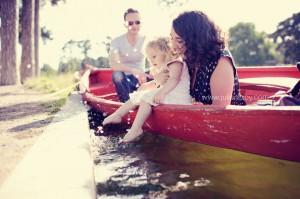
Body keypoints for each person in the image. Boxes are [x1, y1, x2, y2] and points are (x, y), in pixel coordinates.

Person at [102, 37, 192, 143]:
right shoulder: (164, 68)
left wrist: (162, 92)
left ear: (166, 51)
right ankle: (117, 115)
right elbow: (159, 84)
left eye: (154, 56)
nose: (151, 60)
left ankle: (135, 129)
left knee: (145, 98)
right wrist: (152, 85)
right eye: (149, 58)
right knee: (139, 96)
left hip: (178, 98)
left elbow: (174, 80)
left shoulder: (176, 63)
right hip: (170, 96)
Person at [156, 11, 245, 106]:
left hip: (229, 119)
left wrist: (201, 108)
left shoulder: (221, 60)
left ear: (196, 40)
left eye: (179, 40)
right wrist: (158, 81)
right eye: (171, 38)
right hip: (193, 117)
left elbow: (221, 110)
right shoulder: (189, 59)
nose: (173, 46)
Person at [109, 8, 150, 102]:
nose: (134, 25)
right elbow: (113, 64)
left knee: (155, 74)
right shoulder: (116, 41)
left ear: (141, 23)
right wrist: (133, 70)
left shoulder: (146, 40)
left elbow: (156, 60)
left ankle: (150, 100)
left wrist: (146, 74)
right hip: (125, 78)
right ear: (125, 24)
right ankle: (126, 103)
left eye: (137, 22)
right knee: (117, 75)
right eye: (130, 23)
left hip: (141, 78)